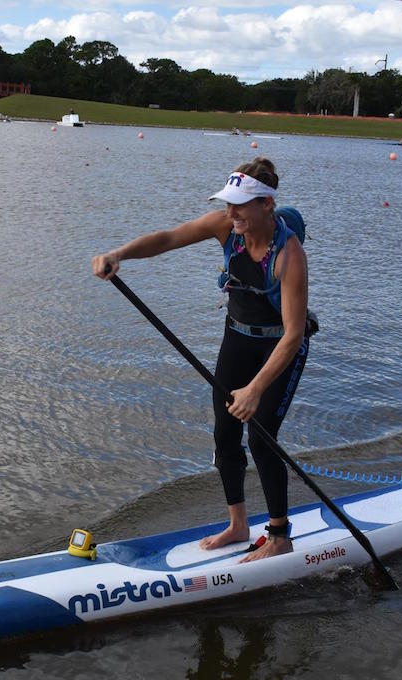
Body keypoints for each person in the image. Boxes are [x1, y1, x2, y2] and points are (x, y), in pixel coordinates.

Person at [92, 157, 310, 563]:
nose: (231, 212)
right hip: (237, 338)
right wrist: (118, 253)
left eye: (240, 204)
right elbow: (169, 238)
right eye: (228, 203)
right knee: (225, 433)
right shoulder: (224, 225)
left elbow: (294, 334)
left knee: (262, 438)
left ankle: (280, 536)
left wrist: (256, 388)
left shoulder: (289, 255)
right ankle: (238, 525)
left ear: (266, 205)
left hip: (280, 347)